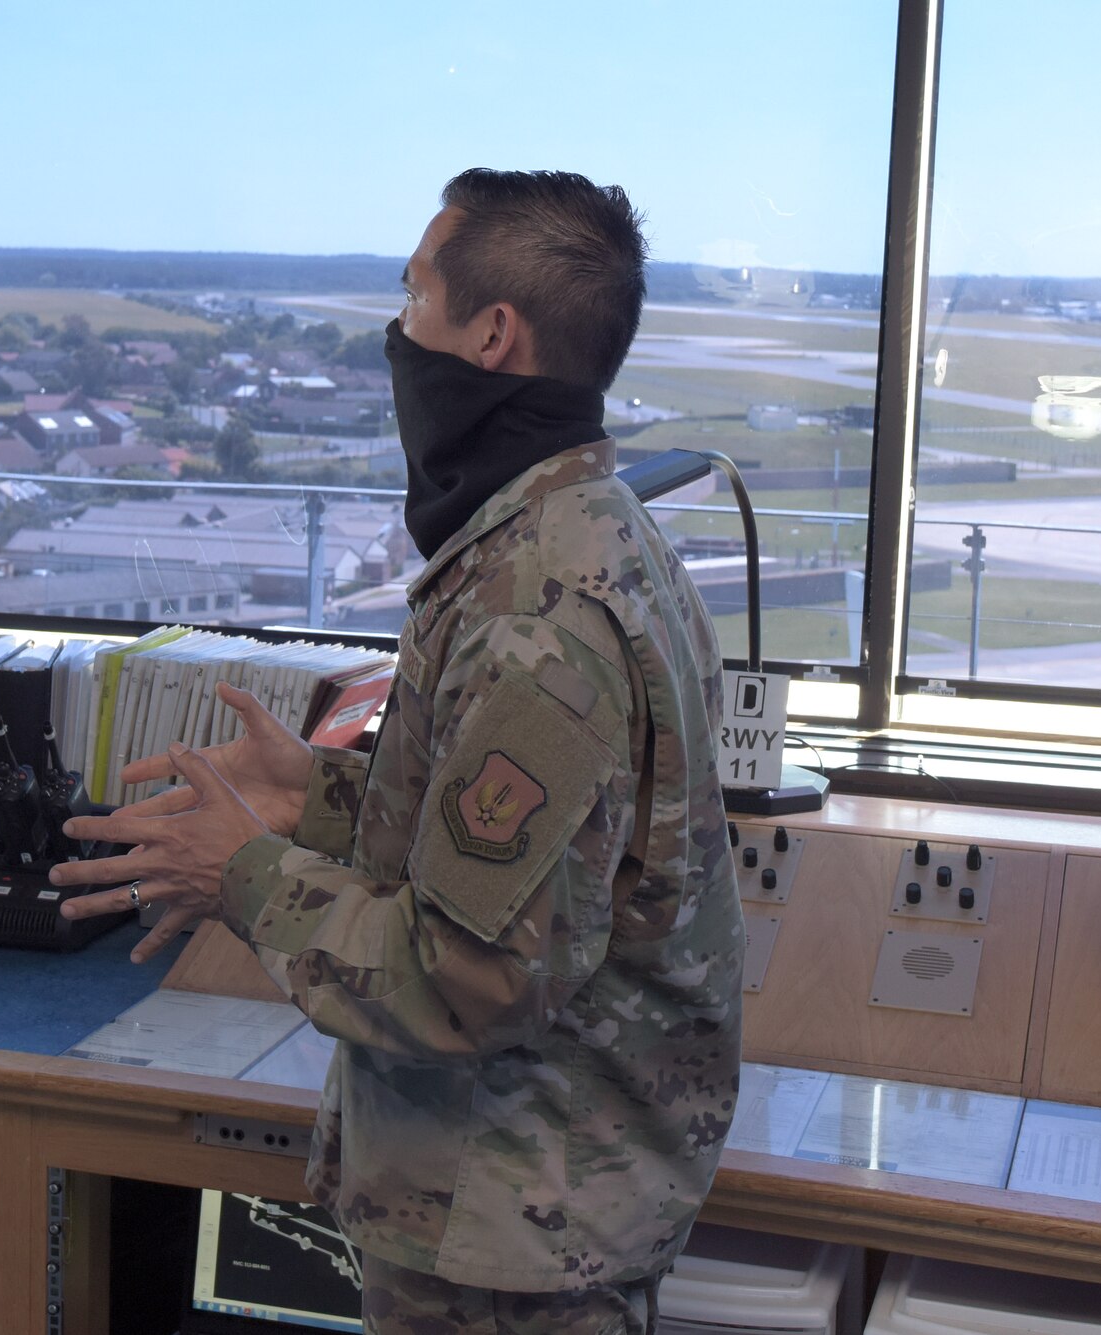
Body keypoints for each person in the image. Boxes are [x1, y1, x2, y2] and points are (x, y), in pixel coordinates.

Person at [55, 169, 742, 1333]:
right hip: (513, 1207)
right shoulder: (570, 532)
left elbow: (463, 985)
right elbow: (528, 852)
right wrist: (325, 803)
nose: (397, 332)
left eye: (414, 296)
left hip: (515, 1240)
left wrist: (241, 874)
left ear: (488, 334)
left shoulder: (541, 614)